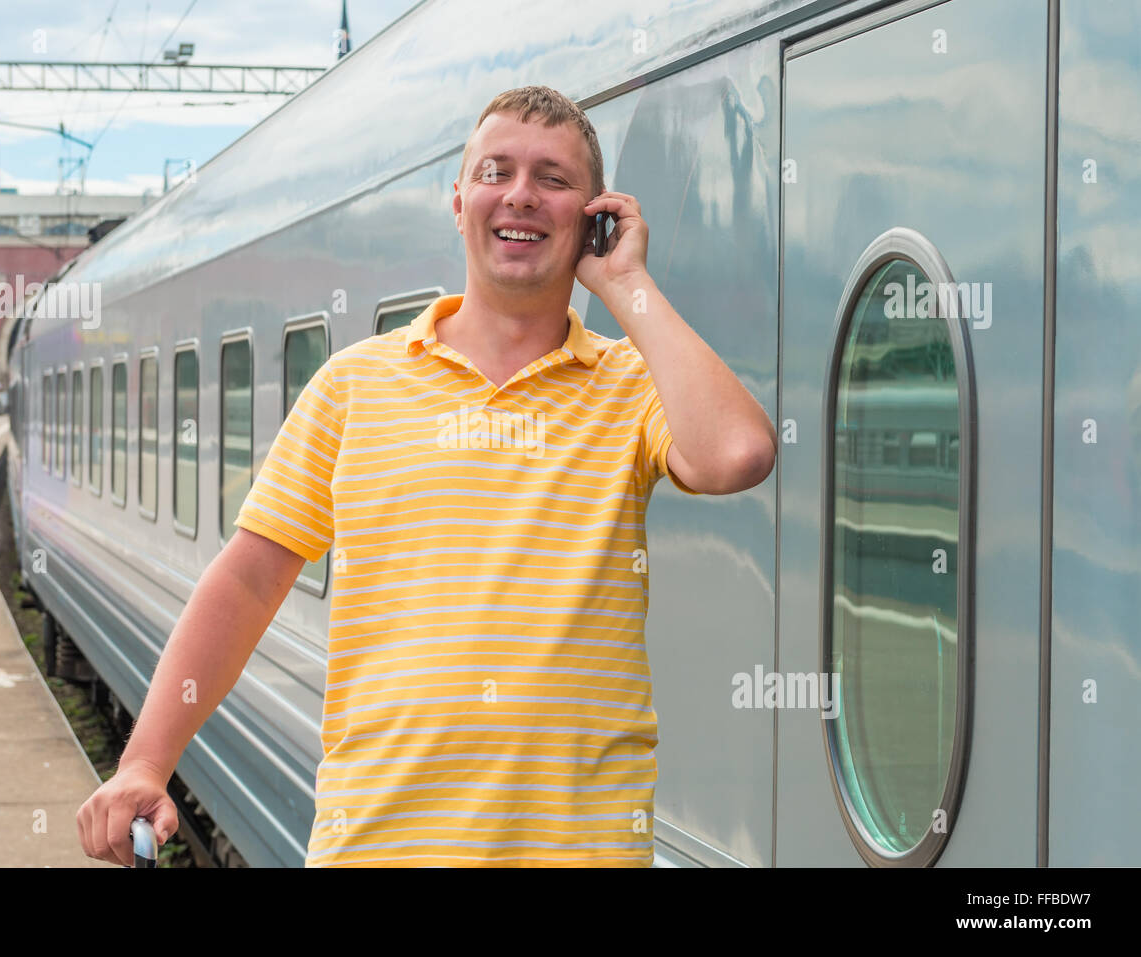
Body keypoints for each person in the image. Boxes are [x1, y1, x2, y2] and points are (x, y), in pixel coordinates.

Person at [77, 85, 777, 868]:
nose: (519, 194)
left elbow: (736, 454)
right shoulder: (356, 385)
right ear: (459, 199)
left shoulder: (630, 385)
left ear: (595, 216)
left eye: (553, 179)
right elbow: (246, 583)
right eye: (495, 171)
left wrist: (627, 285)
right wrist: (145, 760)